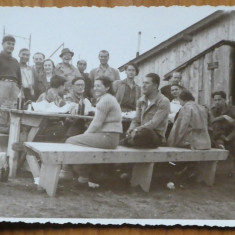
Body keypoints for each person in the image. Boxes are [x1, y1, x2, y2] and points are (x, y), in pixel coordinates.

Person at [66, 76, 122, 185]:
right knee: (77, 141)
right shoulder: (108, 98)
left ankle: (71, 173)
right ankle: (81, 175)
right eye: (94, 86)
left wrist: (85, 135)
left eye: (99, 86)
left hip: (108, 137)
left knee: (71, 141)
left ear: (107, 87)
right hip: (109, 136)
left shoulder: (105, 100)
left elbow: (96, 123)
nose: (95, 88)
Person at [125, 73, 170, 147]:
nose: (143, 86)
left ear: (155, 86)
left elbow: (154, 123)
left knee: (143, 135)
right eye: (143, 83)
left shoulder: (163, 101)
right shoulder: (141, 100)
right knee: (124, 135)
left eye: (147, 83)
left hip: (155, 134)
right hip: (139, 132)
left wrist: (136, 130)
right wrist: (130, 130)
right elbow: (136, 120)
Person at [0, 35, 22, 133]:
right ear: (3, 44)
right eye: (8, 43)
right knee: (3, 108)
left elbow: (19, 76)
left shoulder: (15, 61)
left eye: (13, 44)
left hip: (15, 86)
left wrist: (19, 88)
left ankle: (10, 130)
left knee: (14, 107)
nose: (11, 46)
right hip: (2, 84)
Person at [210, 91, 235, 157]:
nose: (217, 102)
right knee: (216, 124)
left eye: (219, 100)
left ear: (224, 100)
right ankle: (220, 143)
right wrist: (223, 117)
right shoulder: (212, 111)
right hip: (218, 136)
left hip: (231, 135)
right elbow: (211, 122)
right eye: (215, 100)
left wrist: (228, 138)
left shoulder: (232, 110)